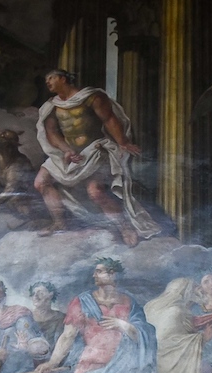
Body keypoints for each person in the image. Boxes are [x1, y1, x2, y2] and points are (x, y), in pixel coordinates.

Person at [34, 68, 161, 245]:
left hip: (94, 151)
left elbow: (109, 119)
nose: (48, 82)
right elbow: (52, 132)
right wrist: (66, 150)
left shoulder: (91, 97)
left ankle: (125, 226)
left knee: (95, 192)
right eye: (46, 79)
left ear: (63, 79)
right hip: (71, 154)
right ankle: (59, 222)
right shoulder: (52, 106)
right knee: (40, 182)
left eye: (51, 78)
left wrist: (123, 142)